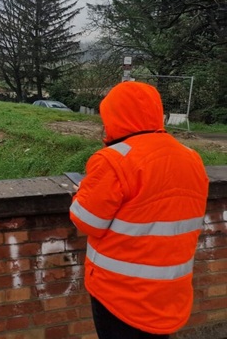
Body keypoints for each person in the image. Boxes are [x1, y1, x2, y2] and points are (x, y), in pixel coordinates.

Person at [69, 81, 209, 338]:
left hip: (121, 296)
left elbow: (86, 221)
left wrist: (81, 192)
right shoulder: (190, 157)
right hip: (169, 295)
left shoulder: (114, 160)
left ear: (113, 116)